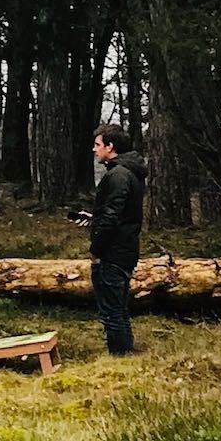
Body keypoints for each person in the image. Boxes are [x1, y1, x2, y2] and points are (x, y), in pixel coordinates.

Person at [88, 122, 146, 355]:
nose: (94, 149)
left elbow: (112, 216)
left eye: (97, 144)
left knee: (112, 311)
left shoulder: (118, 175)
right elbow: (119, 213)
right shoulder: (129, 172)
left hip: (113, 253)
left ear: (110, 147)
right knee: (119, 309)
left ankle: (120, 357)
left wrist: (96, 249)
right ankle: (125, 354)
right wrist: (95, 217)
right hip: (125, 249)